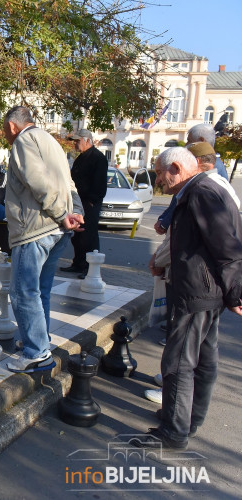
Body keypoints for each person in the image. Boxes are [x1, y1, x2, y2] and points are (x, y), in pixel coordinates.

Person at [132, 147, 242, 450]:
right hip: (205, 289)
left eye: (158, 173)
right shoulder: (206, 187)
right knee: (204, 357)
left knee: (178, 360)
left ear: (177, 168)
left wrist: (235, 291)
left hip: (198, 291)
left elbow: (227, 247)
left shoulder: (202, 192)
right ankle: (186, 419)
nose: (158, 181)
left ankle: (174, 431)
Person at [0, 106, 84, 373]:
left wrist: (61, 215)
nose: (6, 135)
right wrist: (74, 213)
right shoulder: (50, 141)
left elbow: (38, 183)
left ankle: (36, 352)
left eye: (5, 130)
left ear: (13, 126)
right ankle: (38, 339)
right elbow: (69, 183)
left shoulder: (24, 140)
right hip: (57, 230)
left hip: (35, 229)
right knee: (41, 291)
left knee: (23, 291)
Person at [154, 123, 230, 236]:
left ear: (201, 140)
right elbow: (178, 198)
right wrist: (164, 218)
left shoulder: (209, 172)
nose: (186, 145)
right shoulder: (205, 170)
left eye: (189, 141)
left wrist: (165, 222)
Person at [61, 129, 108, 278]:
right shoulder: (80, 158)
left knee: (89, 236)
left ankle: (90, 268)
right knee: (77, 235)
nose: (75, 144)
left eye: (77, 141)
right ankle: (78, 263)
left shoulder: (98, 158)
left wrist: (93, 201)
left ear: (87, 140)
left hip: (90, 202)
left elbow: (100, 184)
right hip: (77, 201)